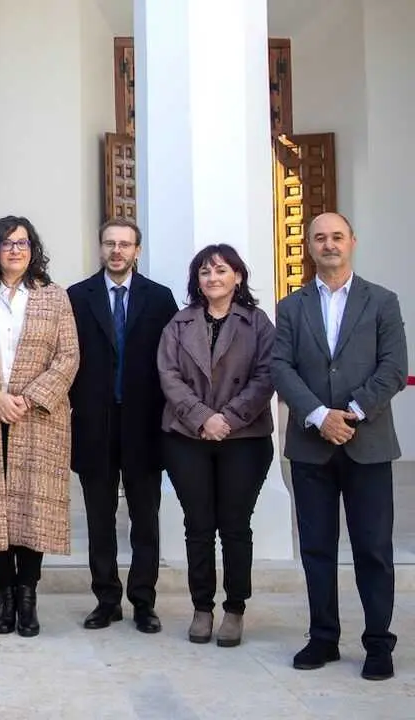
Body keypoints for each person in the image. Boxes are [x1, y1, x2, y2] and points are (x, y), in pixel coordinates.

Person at [271, 212, 407, 681]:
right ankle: (323, 637)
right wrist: (318, 416)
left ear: (353, 241)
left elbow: (393, 367)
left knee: (373, 548)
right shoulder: (291, 307)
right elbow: (281, 368)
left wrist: (349, 411)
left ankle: (377, 643)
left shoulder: (382, 301)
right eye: (319, 238)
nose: (328, 245)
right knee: (316, 547)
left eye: (336, 237)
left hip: (367, 444)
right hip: (312, 447)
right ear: (308, 246)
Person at [0, 216, 78, 638]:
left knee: (32, 507)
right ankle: (4, 598)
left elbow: (68, 357)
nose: (15, 250)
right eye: (7, 243)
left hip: (39, 417)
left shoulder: (54, 298)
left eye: (23, 243)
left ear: (34, 250)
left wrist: (28, 398)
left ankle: (27, 598)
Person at [157, 244, 275, 648]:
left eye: (221, 270)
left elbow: (266, 375)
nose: (213, 278)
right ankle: (202, 607)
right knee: (199, 526)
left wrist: (227, 418)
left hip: (244, 437)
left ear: (238, 277)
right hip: (187, 437)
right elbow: (168, 376)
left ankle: (235, 609)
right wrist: (203, 417)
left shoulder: (257, 323)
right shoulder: (179, 322)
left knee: (236, 526)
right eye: (205, 272)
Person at [67, 218, 178, 633]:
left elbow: (170, 362)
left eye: (125, 244)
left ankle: (144, 602)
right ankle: (106, 599)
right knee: (100, 517)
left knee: (145, 518)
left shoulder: (160, 299)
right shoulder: (77, 297)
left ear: (137, 251)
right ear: (100, 248)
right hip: (94, 422)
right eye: (110, 243)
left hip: (145, 423)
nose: (117, 251)